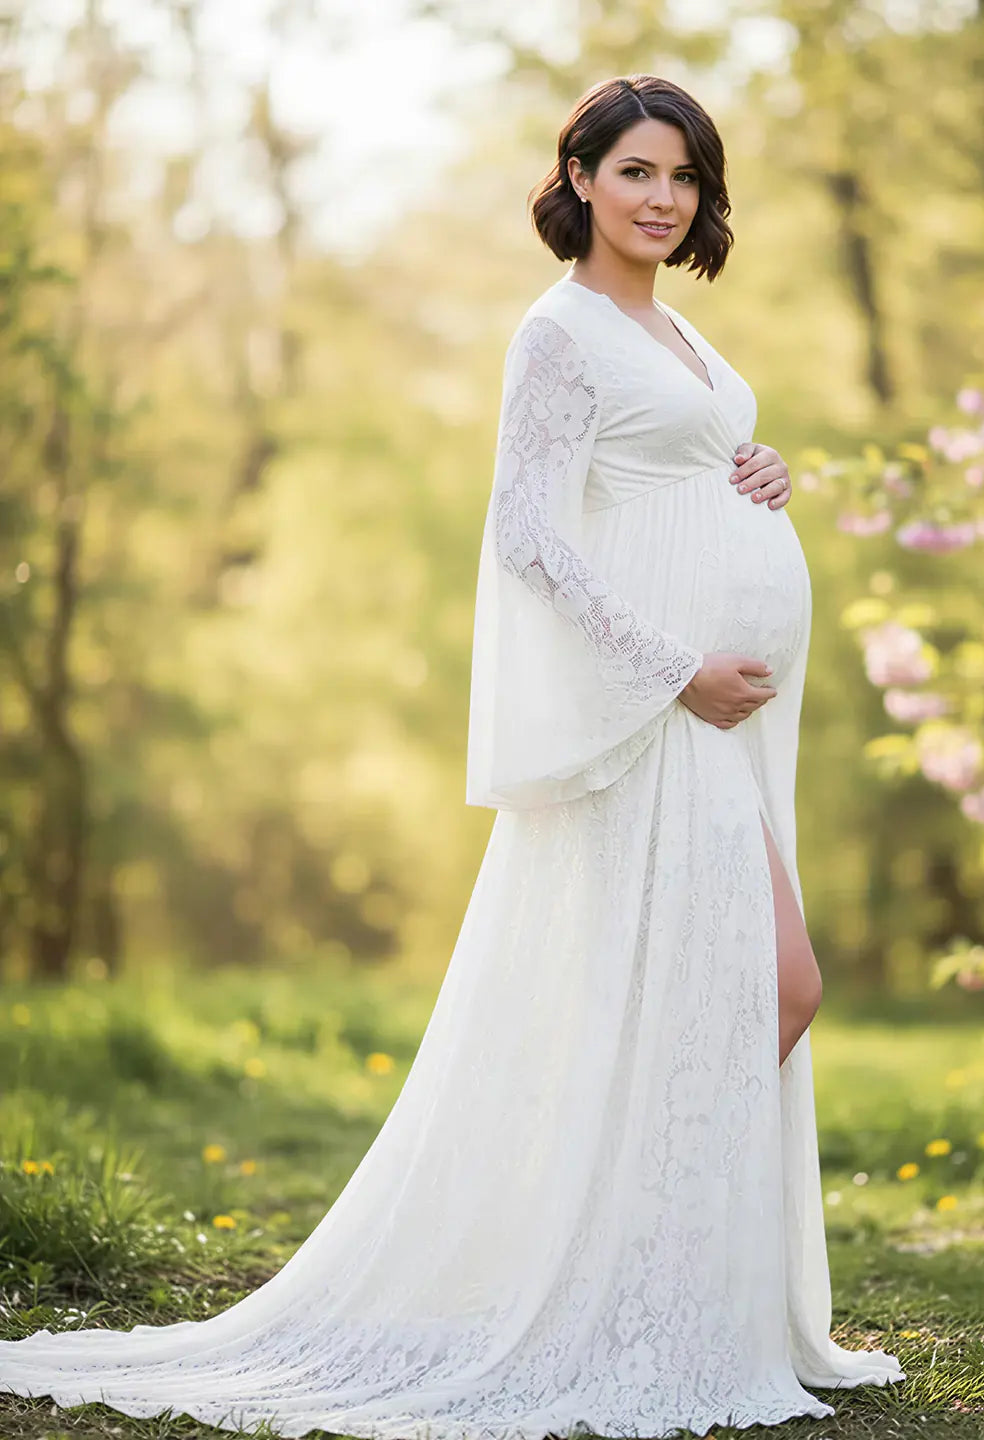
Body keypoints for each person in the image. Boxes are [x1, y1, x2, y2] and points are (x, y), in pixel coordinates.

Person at [0, 72, 905, 1440]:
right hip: (657, 721)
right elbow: (528, 533)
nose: (664, 199)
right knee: (763, 991)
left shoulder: (678, 338)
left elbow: (672, 473)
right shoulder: (556, 332)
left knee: (756, 996)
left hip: (727, 721)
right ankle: (623, 1299)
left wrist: (756, 465)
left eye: (686, 178)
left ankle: (668, 1292)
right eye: (639, 172)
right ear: (582, 179)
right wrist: (672, 674)